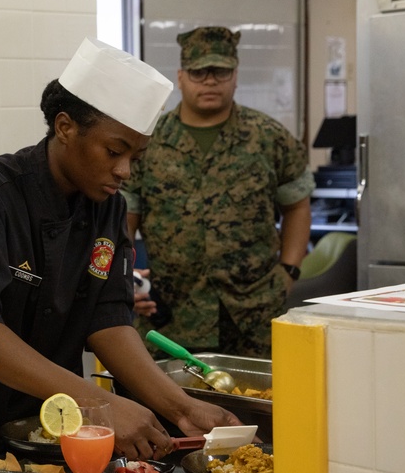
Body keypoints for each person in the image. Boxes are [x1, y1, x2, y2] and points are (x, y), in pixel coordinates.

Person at [0, 38, 241, 469]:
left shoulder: (109, 208)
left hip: (43, 431)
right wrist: (97, 404)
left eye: (135, 157)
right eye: (114, 151)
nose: (124, 171)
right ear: (65, 128)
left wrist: (181, 408)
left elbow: (109, 321)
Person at [123, 27, 313, 359]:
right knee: (174, 408)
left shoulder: (269, 137)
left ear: (235, 76)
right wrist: (124, 277)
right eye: (199, 72)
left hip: (254, 316)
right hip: (172, 318)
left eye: (221, 71)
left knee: (258, 406)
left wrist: (289, 271)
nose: (210, 81)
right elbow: (125, 219)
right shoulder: (147, 142)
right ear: (180, 77)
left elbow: (297, 206)